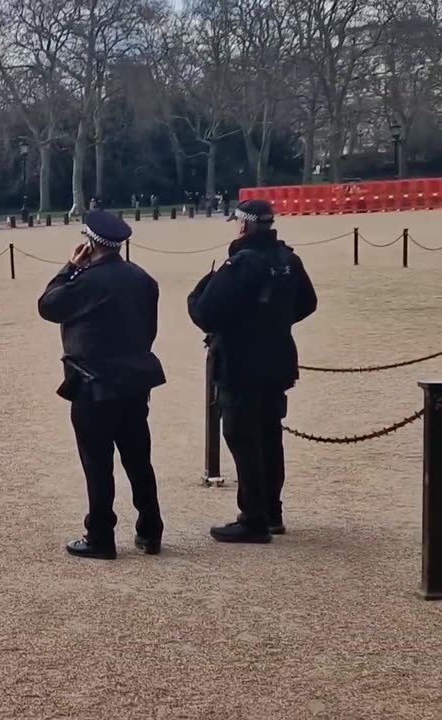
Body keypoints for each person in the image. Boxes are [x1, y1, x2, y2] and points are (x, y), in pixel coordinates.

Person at [37, 210, 167, 560]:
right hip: (134, 380)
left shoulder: (85, 280)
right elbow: (149, 330)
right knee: (139, 459)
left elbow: (49, 306)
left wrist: (69, 268)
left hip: (93, 382)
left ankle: (100, 536)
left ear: (90, 244)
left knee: (98, 463)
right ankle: (150, 529)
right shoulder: (143, 279)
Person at [188, 198, 317, 543]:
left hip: (241, 361)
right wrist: (273, 322)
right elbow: (307, 303)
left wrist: (199, 290)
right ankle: (272, 510)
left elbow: (205, 313)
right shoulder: (289, 259)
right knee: (269, 435)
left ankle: (254, 516)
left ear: (243, 226)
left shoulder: (241, 264)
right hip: (276, 358)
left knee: (242, 437)